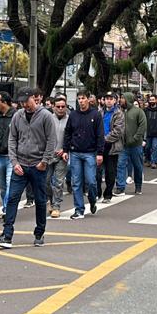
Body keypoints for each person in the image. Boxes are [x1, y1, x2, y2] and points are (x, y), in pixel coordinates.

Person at [0, 87, 59, 249]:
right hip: (20, 165)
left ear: (34, 98)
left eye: (26, 101)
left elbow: (51, 140)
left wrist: (44, 161)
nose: (24, 105)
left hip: (38, 166)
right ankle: (7, 235)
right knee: (12, 198)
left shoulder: (46, 116)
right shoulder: (18, 116)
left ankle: (39, 233)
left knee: (41, 201)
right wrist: (14, 162)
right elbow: (12, 139)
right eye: (21, 102)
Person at [62, 91, 103, 220]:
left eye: (83, 98)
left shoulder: (95, 115)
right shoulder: (73, 115)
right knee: (76, 182)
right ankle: (79, 209)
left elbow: (100, 135)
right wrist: (65, 150)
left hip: (90, 153)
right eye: (79, 99)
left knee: (91, 181)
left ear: (88, 99)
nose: (81, 101)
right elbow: (67, 133)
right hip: (75, 152)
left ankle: (92, 200)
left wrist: (100, 153)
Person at [116, 92, 146, 195]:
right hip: (123, 145)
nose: (120, 100)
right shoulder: (120, 112)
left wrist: (135, 138)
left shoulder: (138, 112)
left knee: (137, 166)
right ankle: (120, 187)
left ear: (128, 99)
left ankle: (138, 186)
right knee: (120, 165)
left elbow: (142, 126)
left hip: (135, 145)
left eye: (123, 98)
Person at [46, 96, 69, 218]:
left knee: (59, 182)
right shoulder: (48, 119)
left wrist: (65, 150)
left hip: (62, 156)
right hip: (48, 155)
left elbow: (72, 137)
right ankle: (50, 200)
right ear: (53, 107)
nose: (60, 109)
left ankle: (56, 206)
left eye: (63, 106)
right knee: (45, 181)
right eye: (58, 106)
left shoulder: (70, 120)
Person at [98, 93, 123, 202]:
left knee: (110, 172)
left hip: (111, 145)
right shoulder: (100, 112)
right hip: (99, 145)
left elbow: (118, 131)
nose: (108, 101)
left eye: (110, 99)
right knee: (96, 171)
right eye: (106, 99)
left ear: (115, 101)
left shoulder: (119, 114)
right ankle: (97, 193)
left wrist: (104, 138)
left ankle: (108, 194)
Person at [143, 95, 157, 169]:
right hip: (147, 132)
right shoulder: (145, 110)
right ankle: (148, 160)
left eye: (153, 99)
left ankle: (154, 162)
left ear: (156, 100)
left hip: (156, 133)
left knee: (155, 147)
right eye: (150, 100)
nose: (151, 101)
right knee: (147, 148)